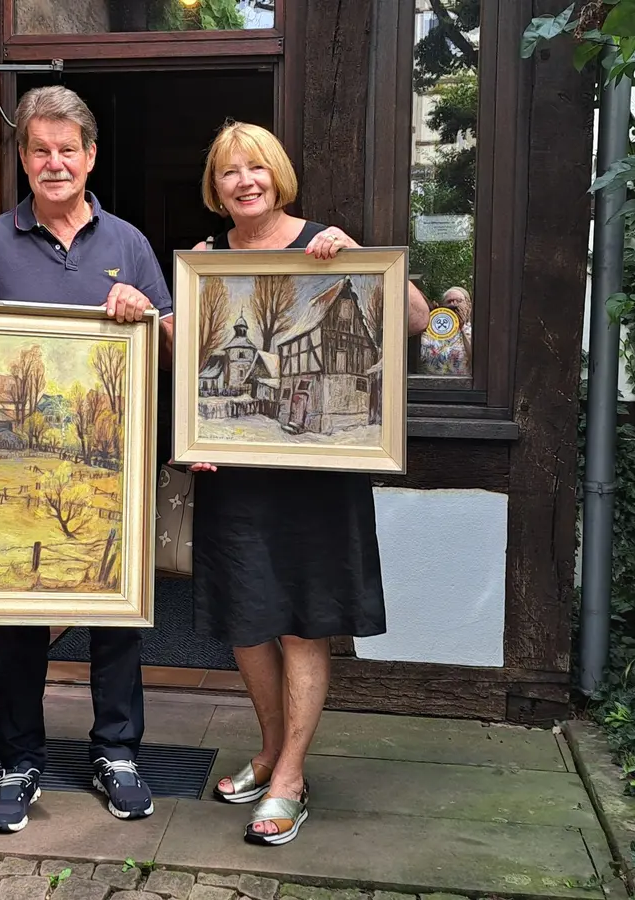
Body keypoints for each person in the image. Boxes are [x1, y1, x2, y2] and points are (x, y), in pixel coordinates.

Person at [0, 85, 175, 833]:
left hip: (111, 463)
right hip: (22, 469)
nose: (55, 163)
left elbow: (171, 348)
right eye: (41, 150)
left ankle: (117, 752)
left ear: (91, 157)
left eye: (69, 150)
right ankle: (17, 760)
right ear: (25, 159)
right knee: (19, 616)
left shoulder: (128, 243)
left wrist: (147, 315)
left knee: (117, 611)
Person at [186, 121, 429, 846]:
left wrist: (355, 259)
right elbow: (185, 366)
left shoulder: (325, 240)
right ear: (216, 186)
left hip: (320, 479)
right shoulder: (203, 260)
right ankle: (267, 751)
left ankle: (291, 775)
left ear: (278, 174)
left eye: (255, 168)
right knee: (248, 620)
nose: (244, 182)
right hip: (235, 475)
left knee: (302, 621)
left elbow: (415, 317)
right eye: (229, 172)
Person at [417, 285, 473, 376]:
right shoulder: (431, 330)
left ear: (468, 306)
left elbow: (477, 359)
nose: (453, 304)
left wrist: (461, 329)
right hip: (429, 385)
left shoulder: (474, 331)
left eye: (458, 301)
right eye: (449, 301)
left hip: (463, 386)